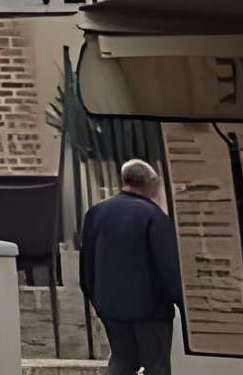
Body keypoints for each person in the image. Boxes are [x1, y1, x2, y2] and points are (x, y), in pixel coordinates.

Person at [78, 158, 185, 375]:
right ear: (151, 184)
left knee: (121, 363)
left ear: (124, 180)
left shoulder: (96, 213)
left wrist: (96, 299)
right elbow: (168, 267)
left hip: (111, 308)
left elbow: (86, 265)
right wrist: (183, 302)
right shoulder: (154, 217)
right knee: (156, 366)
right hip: (151, 311)